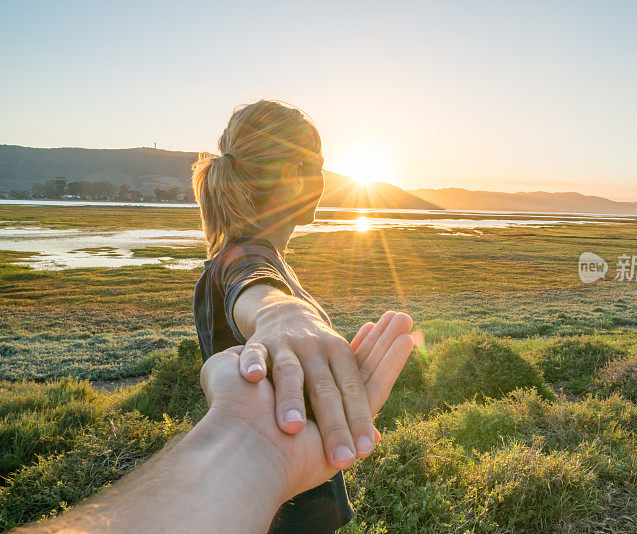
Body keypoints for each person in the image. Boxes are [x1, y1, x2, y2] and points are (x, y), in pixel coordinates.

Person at [190, 99, 412, 532]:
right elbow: (253, 290)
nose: (325, 181)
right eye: (319, 167)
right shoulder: (244, 257)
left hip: (275, 487)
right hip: (280, 508)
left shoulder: (252, 253)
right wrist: (284, 313)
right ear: (295, 176)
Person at [16, 318, 414, 533]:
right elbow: (253, 272)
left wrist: (249, 443)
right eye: (304, 162)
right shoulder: (244, 250)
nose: (316, 177)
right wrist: (285, 312)